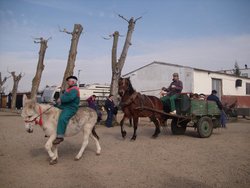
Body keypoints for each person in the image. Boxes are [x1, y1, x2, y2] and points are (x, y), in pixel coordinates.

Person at [53, 76, 80, 145]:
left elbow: (70, 98)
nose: (67, 82)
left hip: (71, 107)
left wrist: (61, 99)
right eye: (67, 81)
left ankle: (60, 137)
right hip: (65, 106)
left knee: (62, 118)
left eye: (69, 81)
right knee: (53, 109)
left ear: (73, 82)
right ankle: (52, 131)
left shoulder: (74, 89)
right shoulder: (69, 89)